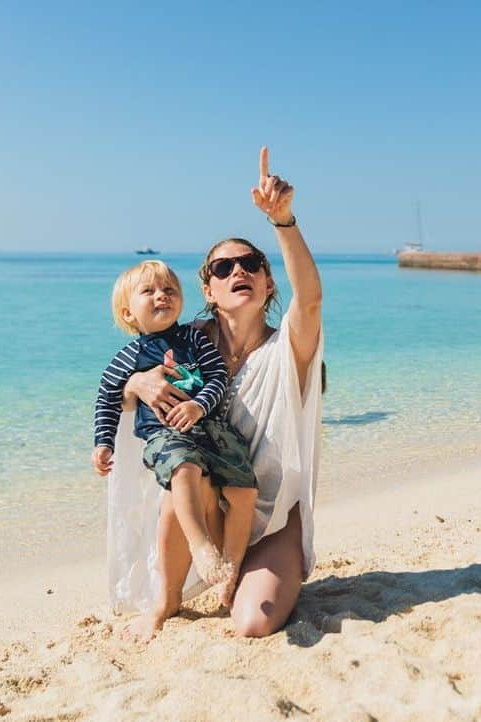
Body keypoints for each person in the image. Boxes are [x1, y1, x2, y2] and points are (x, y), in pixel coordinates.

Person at [107, 146, 323, 638]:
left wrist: (283, 221)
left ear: (269, 283)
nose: (237, 273)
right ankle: (167, 600)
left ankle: (248, 570)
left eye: (250, 265)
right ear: (208, 289)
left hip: (269, 518)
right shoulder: (183, 343)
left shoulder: (290, 347)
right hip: (207, 509)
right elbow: (117, 383)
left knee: (253, 622)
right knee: (182, 477)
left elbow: (309, 298)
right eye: (223, 269)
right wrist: (137, 383)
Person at [92, 259, 259, 591]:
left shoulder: (194, 340)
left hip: (211, 429)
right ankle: (201, 546)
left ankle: (231, 567)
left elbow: (217, 379)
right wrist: (103, 443)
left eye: (170, 290)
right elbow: (107, 399)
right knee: (183, 469)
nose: (161, 296)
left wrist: (199, 405)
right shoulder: (128, 357)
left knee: (244, 490)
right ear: (128, 314)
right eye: (149, 291)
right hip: (165, 435)